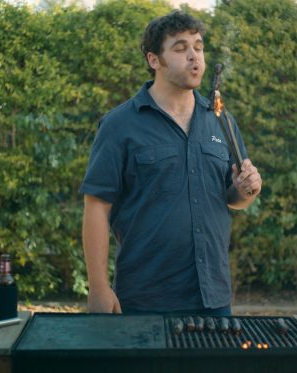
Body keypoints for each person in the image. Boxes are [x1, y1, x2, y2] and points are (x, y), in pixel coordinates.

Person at [80, 10, 262, 316]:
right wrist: (98, 286)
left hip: (213, 299)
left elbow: (233, 200)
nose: (194, 56)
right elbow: (96, 206)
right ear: (154, 60)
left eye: (199, 47)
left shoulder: (222, 121)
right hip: (143, 300)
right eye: (180, 48)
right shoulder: (119, 125)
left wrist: (246, 191)